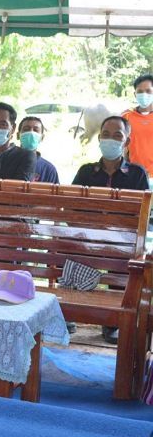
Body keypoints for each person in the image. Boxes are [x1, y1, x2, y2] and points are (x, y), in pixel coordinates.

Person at [73, 116, 148, 344]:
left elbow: (141, 212)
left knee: (125, 257)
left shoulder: (137, 173)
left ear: (127, 142)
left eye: (117, 135)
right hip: (90, 236)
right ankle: (73, 312)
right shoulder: (87, 171)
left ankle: (112, 322)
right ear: (99, 138)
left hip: (121, 239)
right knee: (72, 248)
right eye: (106, 134)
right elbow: (73, 208)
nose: (110, 139)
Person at [122, 74, 153, 178]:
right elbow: (121, 148)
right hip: (134, 175)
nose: (144, 94)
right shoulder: (126, 116)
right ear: (135, 94)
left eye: (148, 91)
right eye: (140, 91)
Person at [17, 116, 59, 183]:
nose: (31, 133)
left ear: (42, 138)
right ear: (18, 135)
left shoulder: (49, 169)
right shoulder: (7, 162)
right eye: (26, 129)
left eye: (36, 130)